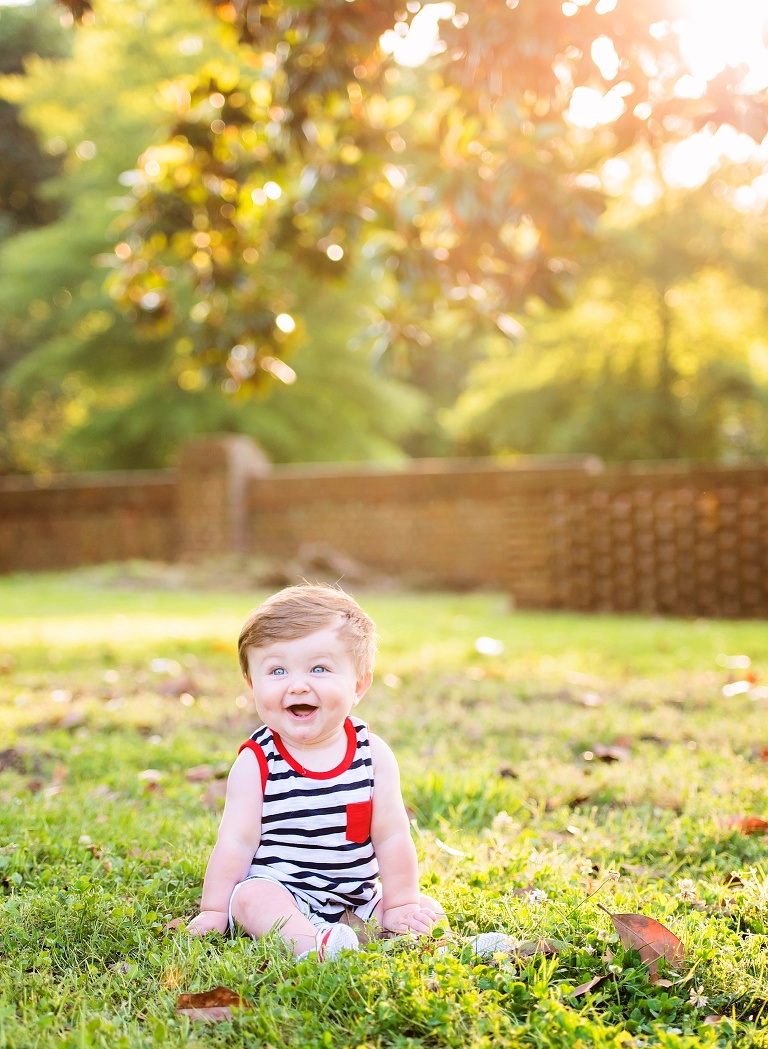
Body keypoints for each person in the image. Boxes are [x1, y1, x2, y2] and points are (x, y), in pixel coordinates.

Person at [186, 583, 449, 960]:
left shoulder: (373, 755)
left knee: (427, 910)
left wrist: (402, 902)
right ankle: (313, 945)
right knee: (250, 899)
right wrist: (214, 909)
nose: (297, 685)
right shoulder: (258, 761)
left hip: (354, 896)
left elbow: (391, 837)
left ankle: (428, 944)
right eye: (276, 670)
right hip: (281, 889)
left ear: (358, 685)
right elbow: (236, 842)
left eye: (319, 668)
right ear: (252, 684)